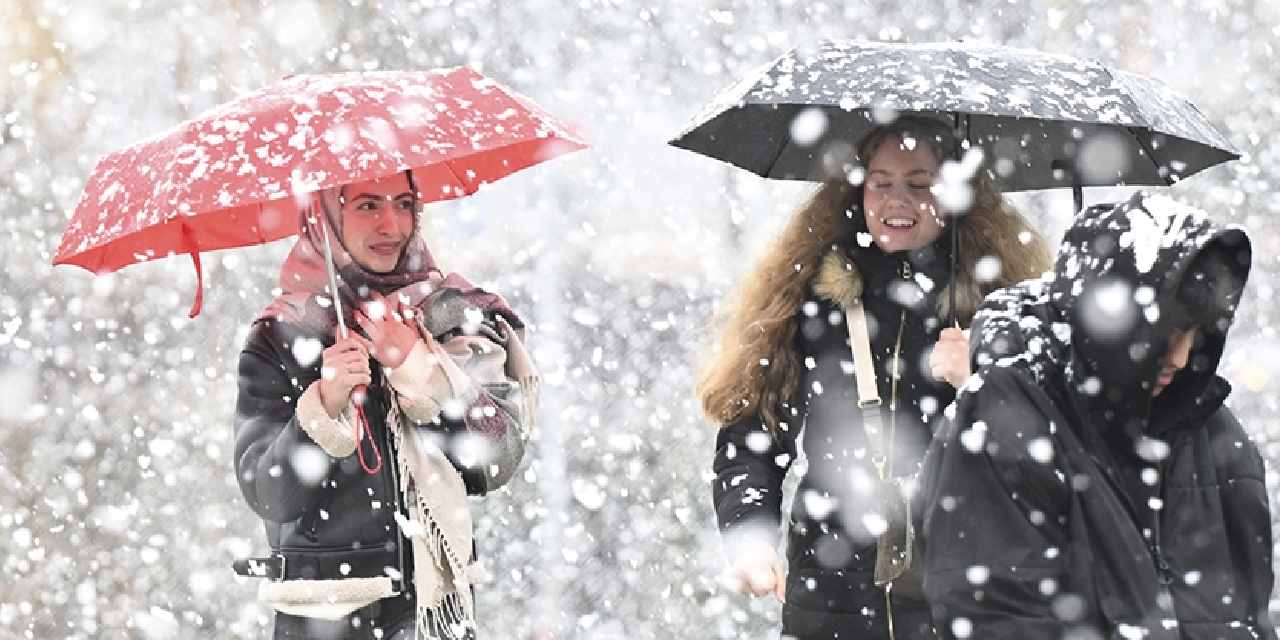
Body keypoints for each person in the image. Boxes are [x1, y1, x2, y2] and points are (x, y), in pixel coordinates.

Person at [702, 115, 1052, 639]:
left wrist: (976, 382)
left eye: (920, 184)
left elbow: (1044, 458)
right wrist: (750, 538)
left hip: (963, 599)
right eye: (881, 182)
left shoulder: (1005, 309)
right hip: (830, 599)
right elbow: (755, 430)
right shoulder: (809, 299)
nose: (897, 200)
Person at [919, 192, 1273, 639]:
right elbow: (999, 614)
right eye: (1164, 333)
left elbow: (1247, 616)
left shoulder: (1217, 433)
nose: (1181, 358)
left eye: (1195, 333)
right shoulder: (1007, 415)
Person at [232, 171, 537, 640]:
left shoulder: (451, 316)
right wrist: (323, 406)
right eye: (367, 205)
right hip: (325, 621)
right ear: (324, 216)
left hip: (434, 618)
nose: (391, 225)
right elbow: (269, 494)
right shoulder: (283, 335)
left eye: (404, 203)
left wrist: (417, 366)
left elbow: (496, 461)